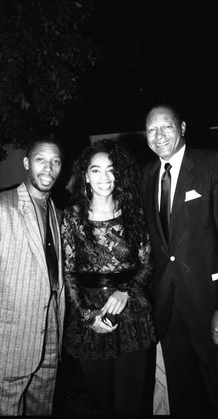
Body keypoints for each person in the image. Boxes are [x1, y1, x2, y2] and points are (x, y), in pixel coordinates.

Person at [142, 104, 218, 416]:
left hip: (208, 303)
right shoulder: (146, 176)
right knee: (181, 395)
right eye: (151, 130)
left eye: (166, 127)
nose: (158, 136)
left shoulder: (212, 163)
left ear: (183, 127)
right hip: (167, 307)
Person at [0, 133, 66, 416]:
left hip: (49, 337)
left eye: (55, 161)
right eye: (41, 160)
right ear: (26, 162)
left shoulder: (56, 210)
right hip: (6, 343)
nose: (48, 168)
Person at [61, 138, 156, 415]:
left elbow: (147, 263)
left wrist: (125, 289)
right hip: (89, 315)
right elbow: (69, 272)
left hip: (132, 315)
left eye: (111, 169)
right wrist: (87, 316)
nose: (104, 177)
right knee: (100, 403)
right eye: (96, 170)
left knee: (132, 402)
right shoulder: (74, 216)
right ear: (86, 176)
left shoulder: (134, 212)